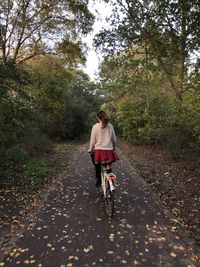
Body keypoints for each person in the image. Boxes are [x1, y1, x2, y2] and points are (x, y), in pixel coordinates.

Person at [88, 111, 119, 187]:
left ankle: (99, 181)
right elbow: (114, 140)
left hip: (99, 151)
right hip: (109, 150)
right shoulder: (110, 126)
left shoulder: (95, 127)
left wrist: (90, 149)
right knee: (108, 166)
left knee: (97, 166)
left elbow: (93, 140)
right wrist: (113, 147)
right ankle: (111, 183)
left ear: (98, 118)